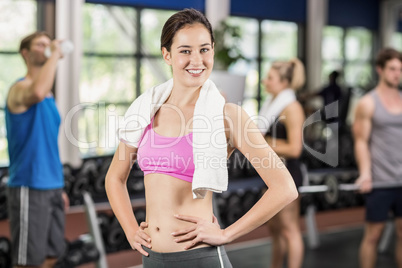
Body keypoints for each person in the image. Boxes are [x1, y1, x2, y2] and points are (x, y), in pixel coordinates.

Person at [105, 8, 298, 268]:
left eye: (204, 49)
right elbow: (115, 178)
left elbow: (285, 188)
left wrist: (226, 233)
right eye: (185, 50)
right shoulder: (145, 110)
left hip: (199, 258)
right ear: (167, 55)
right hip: (152, 258)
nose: (197, 60)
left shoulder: (228, 116)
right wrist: (130, 229)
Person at [5, 32, 69, 268]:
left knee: (53, 253)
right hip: (29, 185)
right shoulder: (19, 90)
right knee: (27, 262)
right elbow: (37, 91)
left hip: (51, 184)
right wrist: (54, 54)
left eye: (49, 44)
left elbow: (48, 144)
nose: (47, 47)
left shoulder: (49, 97)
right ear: (26, 53)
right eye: (41, 45)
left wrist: (58, 186)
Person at [353, 47, 402, 268]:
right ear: (380, 69)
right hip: (380, 179)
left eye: (400, 69)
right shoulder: (367, 103)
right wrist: (365, 173)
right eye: (392, 69)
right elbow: (361, 141)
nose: (397, 74)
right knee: (373, 235)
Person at [258, 59, 306, 268]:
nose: (264, 81)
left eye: (270, 78)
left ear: (284, 82)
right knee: (275, 230)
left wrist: (264, 144)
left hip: (288, 174)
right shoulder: (271, 104)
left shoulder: (292, 108)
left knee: (289, 229)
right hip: (270, 173)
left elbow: (295, 148)